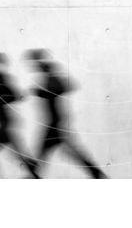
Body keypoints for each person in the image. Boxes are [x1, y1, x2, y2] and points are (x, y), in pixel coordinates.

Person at [24, 49, 108, 178]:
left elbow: (58, 89)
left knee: (46, 152)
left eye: (35, 63)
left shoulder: (51, 74)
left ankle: (34, 175)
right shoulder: (48, 75)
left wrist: (39, 92)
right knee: (56, 151)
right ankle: (95, 173)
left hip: (55, 123)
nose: (33, 67)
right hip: (55, 122)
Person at [0, 52, 39, 178]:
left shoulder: (2, 81)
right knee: (15, 154)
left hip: (3, 125)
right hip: (3, 125)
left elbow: (17, 96)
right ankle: (31, 168)